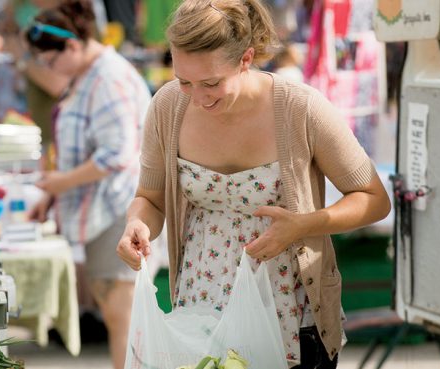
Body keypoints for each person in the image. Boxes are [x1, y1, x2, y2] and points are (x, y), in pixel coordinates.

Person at [115, 1, 391, 368]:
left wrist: (304, 224)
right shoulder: (167, 107)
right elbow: (149, 198)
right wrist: (137, 224)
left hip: (291, 316)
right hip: (199, 311)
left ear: (245, 59)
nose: (198, 97)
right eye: (184, 81)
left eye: (211, 82)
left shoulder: (301, 108)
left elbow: (374, 198)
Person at [23, 1, 152, 368]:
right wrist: (53, 192)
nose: (48, 70)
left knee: (122, 316)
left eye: (50, 61)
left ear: (74, 46)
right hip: (103, 210)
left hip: (118, 210)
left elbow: (117, 153)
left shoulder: (109, 77)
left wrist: (61, 182)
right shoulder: (86, 75)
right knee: (117, 315)